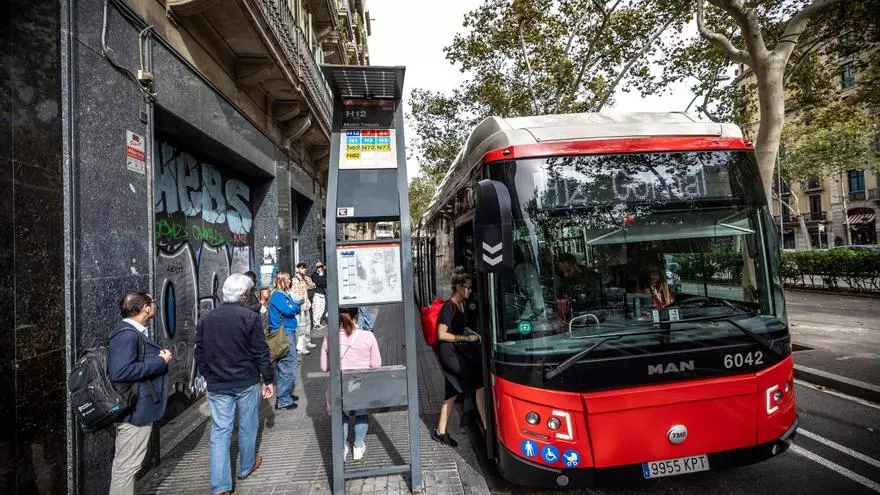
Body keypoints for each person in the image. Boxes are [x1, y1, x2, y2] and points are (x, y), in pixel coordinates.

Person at [195, 274, 275, 495]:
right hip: (245, 380)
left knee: (220, 432)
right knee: (249, 425)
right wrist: (268, 379)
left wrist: (207, 373)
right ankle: (246, 466)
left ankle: (221, 488)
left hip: (218, 383)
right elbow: (260, 351)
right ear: (243, 295)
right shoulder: (250, 318)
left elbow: (199, 351)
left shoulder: (207, 319)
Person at [108, 292, 172, 495]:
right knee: (126, 468)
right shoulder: (127, 335)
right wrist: (160, 362)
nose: (154, 305)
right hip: (133, 412)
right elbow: (121, 371)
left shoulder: (133, 332)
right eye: (152, 302)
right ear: (145, 308)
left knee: (128, 466)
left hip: (136, 409)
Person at [431, 267, 485, 448]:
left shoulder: (460, 305)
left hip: (454, 352)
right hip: (449, 353)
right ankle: (485, 425)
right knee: (478, 381)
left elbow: (458, 328)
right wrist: (465, 338)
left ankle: (440, 431)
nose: (470, 291)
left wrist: (471, 332)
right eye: (468, 288)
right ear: (460, 287)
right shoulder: (449, 306)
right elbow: (441, 334)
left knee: (451, 392)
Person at [320, 307, 382, 460]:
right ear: (357, 315)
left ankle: (342, 448)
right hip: (360, 385)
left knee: (341, 416)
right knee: (361, 413)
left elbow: (324, 367)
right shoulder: (368, 336)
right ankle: (358, 446)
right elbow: (376, 364)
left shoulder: (329, 337)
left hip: (339, 386)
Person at [268, 271, 301, 409]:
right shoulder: (277, 295)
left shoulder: (283, 294)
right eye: (287, 280)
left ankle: (285, 394)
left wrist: (294, 307)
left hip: (288, 331)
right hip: (284, 333)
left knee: (287, 364)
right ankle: (283, 399)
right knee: (288, 365)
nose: (290, 282)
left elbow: (293, 308)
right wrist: (295, 307)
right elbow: (290, 310)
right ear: (282, 280)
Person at [290, 262, 317, 354]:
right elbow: (294, 294)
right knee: (301, 327)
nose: (304, 269)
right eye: (301, 268)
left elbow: (312, 285)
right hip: (300, 307)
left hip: (306, 305)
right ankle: (300, 347)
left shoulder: (304, 279)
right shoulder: (295, 280)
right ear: (297, 269)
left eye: (304, 268)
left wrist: (305, 278)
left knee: (307, 325)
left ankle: (307, 342)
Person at [311, 262, 328, 328]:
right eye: (318, 267)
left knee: (322, 309)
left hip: (322, 293)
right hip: (316, 294)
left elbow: (324, 284)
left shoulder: (323, 275)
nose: (320, 268)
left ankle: (318, 323)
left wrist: (321, 275)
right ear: (316, 268)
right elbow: (319, 283)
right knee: (316, 309)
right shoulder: (314, 275)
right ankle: (316, 324)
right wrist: (320, 275)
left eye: (321, 267)